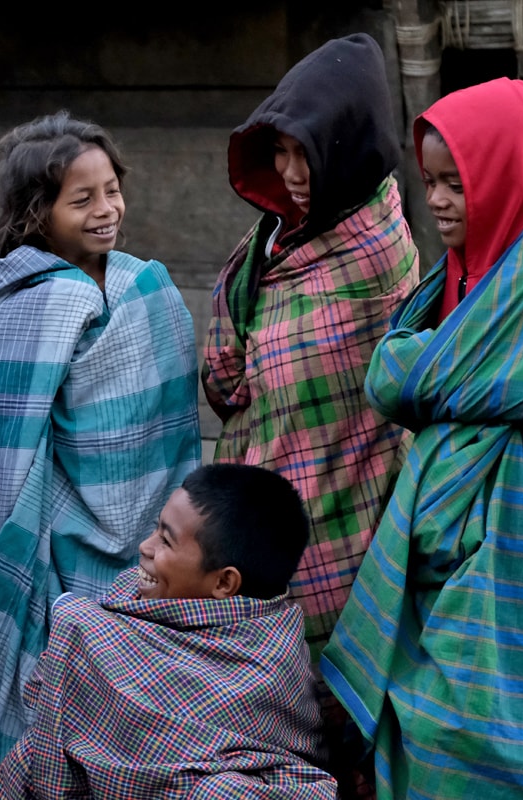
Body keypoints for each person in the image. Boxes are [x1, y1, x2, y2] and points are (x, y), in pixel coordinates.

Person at [320, 78, 523, 799]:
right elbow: (440, 382)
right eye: (429, 181)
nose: (436, 201)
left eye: (456, 184)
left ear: (505, 174)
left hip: (515, 553)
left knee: (467, 746)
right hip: (435, 548)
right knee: (411, 734)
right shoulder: (455, 275)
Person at [199, 32, 418, 781]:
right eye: (280, 150)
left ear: (348, 150)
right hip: (257, 532)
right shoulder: (273, 243)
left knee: (343, 742)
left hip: (345, 543)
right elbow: (227, 378)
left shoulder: (377, 255)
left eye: (307, 153)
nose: (291, 173)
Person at [0, 110, 202, 766]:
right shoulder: (13, 301)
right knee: (52, 685)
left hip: (145, 515)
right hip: (46, 533)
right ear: (38, 211)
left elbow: (162, 418)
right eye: (81, 198)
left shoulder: (143, 286)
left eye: (112, 190)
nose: (105, 210)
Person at [0, 463, 337, 799]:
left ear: (224, 582)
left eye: (166, 541)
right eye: (157, 528)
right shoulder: (134, 598)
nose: (145, 546)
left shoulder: (272, 659)